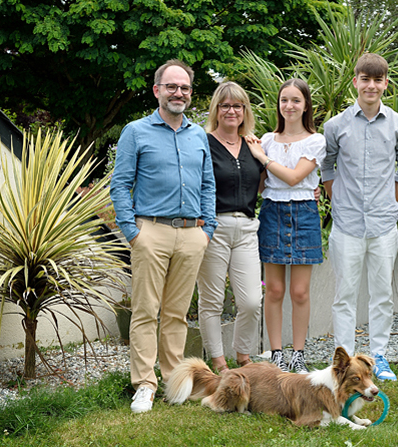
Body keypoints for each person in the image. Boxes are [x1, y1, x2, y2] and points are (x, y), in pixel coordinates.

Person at [110, 59, 217, 413]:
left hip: (191, 234)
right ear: (157, 90)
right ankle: (144, 383)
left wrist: (208, 229)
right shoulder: (136, 131)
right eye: (171, 86)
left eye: (184, 87)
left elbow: (207, 184)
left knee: (176, 313)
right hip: (150, 231)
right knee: (145, 311)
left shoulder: (198, 134)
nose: (179, 93)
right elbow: (120, 184)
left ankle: (174, 380)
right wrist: (132, 232)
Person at [322, 53, 398, 381]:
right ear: (356, 82)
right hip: (346, 224)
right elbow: (326, 165)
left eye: (378, 80)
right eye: (366, 79)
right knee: (345, 295)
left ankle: (378, 357)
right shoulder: (335, 126)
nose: (371, 85)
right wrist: (339, 198)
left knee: (381, 294)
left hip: (383, 224)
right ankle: (345, 361)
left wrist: (390, 200)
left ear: (385, 83)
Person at [247, 79, 326, 374]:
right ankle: (277, 353)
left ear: (305, 105)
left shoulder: (315, 140)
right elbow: (263, 183)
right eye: (284, 100)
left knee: (300, 292)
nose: (289, 106)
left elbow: (294, 178)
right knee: (275, 290)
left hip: (304, 213)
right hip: (272, 211)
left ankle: (299, 354)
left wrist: (262, 158)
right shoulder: (266, 139)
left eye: (295, 100)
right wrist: (259, 157)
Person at [196, 82, 264, 373]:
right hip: (214, 227)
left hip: (247, 228)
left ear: (244, 110)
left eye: (237, 105)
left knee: (251, 301)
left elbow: (262, 183)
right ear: (216, 110)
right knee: (211, 300)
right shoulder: (202, 143)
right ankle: (219, 362)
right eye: (225, 105)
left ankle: (243, 355)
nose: (231, 111)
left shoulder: (253, 145)